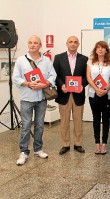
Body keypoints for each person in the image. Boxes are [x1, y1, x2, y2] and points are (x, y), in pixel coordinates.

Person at [13, 35, 57, 165]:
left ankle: (38, 149)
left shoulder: (46, 61)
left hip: (41, 98)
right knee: (26, 125)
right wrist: (28, 84)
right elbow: (16, 77)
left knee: (39, 125)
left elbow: (53, 74)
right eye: (30, 42)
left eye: (35, 43)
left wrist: (46, 84)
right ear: (28, 44)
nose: (33, 45)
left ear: (40, 45)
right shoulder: (21, 60)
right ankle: (24, 152)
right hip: (27, 98)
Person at [53, 36, 88, 155]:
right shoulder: (58, 58)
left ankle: (78, 144)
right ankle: (65, 144)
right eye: (70, 42)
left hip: (78, 94)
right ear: (66, 43)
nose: (73, 44)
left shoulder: (84, 59)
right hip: (64, 95)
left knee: (78, 121)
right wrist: (61, 84)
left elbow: (86, 77)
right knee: (64, 121)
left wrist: (82, 85)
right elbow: (54, 75)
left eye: (75, 42)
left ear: (78, 44)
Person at [86, 41, 110, 154]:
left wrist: (105, 89)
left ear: (106, 50)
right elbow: (88, 77)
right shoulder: (90, 62)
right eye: (98, 48)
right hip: (94, 94)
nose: (100, 50)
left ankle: (104, 143)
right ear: (95, 50)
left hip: (107, 94)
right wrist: (97, 89)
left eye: (102, 48)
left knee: (106, 119)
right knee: (96, 118)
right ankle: (97, 143)